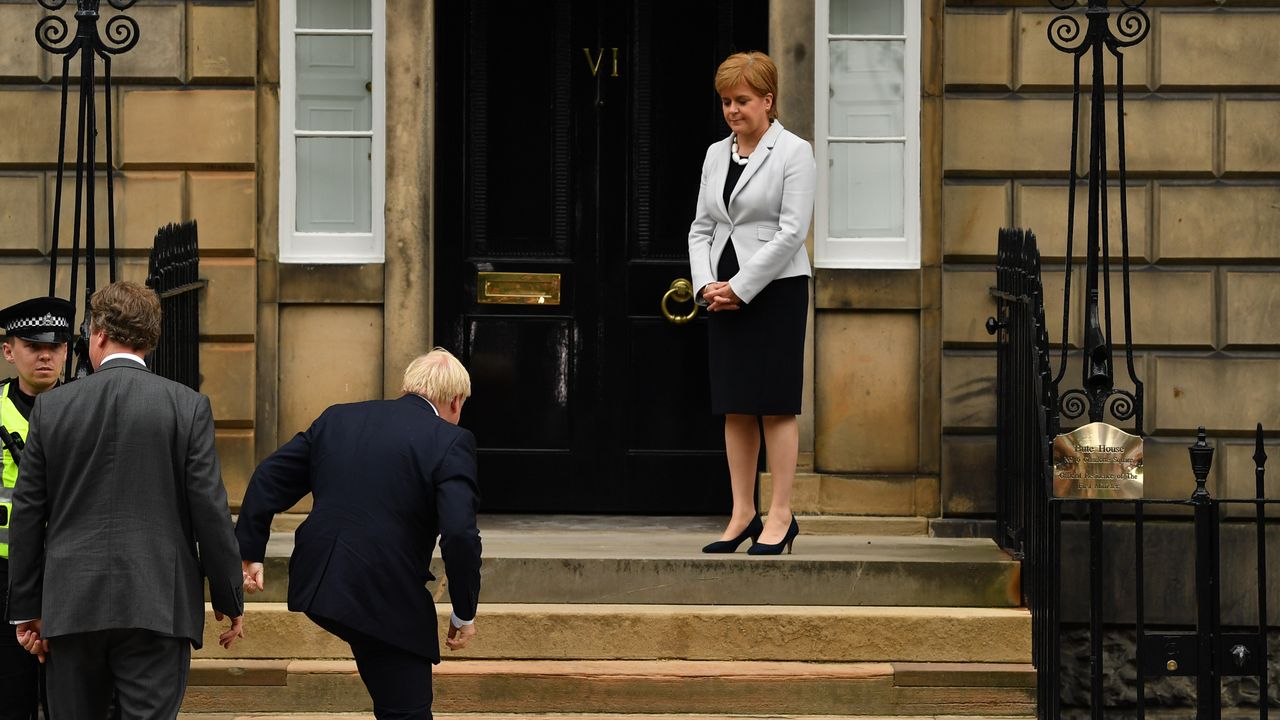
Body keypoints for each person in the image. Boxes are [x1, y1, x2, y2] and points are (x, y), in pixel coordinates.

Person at [5, 281, 245, 718]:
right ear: (150, 341)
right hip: (157, 605)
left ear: (98, 335)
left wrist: (26, 608)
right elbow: (210, 512)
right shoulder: (186, 406)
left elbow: (27, 514)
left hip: (71, 605)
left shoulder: (51, 408)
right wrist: (230, 599)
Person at [235, 348, 482, 720]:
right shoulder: (451, 441)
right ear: (455, 400)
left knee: (386, 679)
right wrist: (464, 612)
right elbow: (460, 535)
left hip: (321, 579)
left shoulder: (340, 418)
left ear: (409, 387)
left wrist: (250, 552)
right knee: (407, 710)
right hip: (384, 592)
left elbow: (269, 476)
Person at [687, 51, 815, 555]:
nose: (732, 110)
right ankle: (743, 514)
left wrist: (741, 287)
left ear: (768, 99)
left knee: (776, 406)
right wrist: (706, 286)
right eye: (725, 102)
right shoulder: (716, 154)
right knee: (735, 406)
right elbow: (702, 227)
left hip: (775, 290)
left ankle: (780, 514)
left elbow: (791, 233)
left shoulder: (794, 152)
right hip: (721, 292)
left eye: (742, 100)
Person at [0, 296, 73, 720]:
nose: (46, 354)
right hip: (5, 573)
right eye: (33, 345)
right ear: (9, 351)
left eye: (56, 345)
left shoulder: (84, 407)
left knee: (69, 696)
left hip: (65, 572)